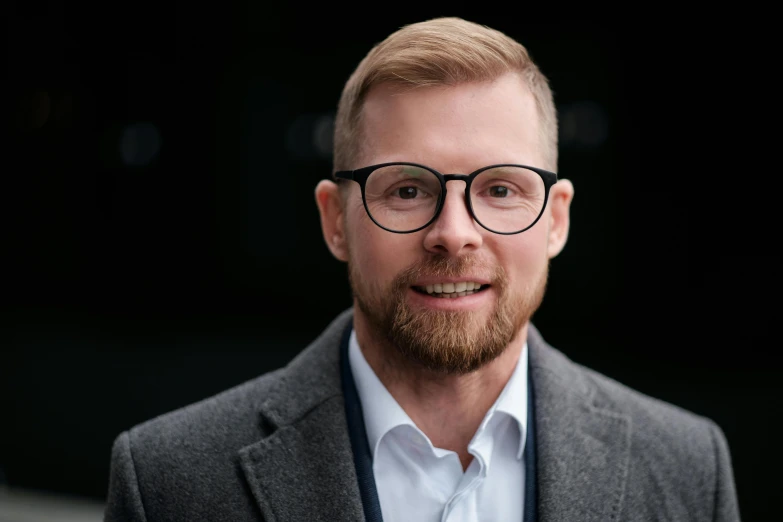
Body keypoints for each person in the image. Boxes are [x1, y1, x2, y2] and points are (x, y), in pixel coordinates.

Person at [104, 17, 740, 522]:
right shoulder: (169, 482)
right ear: (335, 221)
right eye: (406, 190)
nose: (453, 234)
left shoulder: (688, 468)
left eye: (499, 190)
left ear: (556, 220)